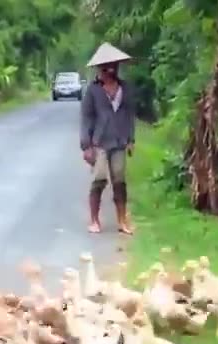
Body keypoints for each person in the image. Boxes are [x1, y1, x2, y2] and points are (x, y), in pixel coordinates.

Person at [80, 42, 137, 235]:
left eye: (114, 65)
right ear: (100, 69)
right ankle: (94, 220)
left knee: (119, 180)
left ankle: (122, 219)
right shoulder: (93, 91)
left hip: (120, 141)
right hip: (99, 142)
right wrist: (86, 145)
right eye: (106, 66)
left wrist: (131, 139)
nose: (110, 70)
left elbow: (129, 115)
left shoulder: (125, 89)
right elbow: (87, 118)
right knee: (100, 178)